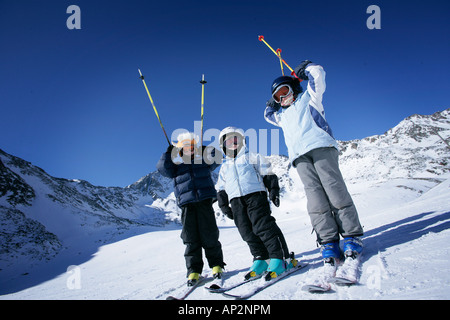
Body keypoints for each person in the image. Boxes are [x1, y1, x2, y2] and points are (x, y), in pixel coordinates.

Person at [264, 60, 364, 265]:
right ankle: (328, 240)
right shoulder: (281, 116)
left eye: (285, 91)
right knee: (315, 199)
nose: (282, 98)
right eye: (277, 96)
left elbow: (318, 75)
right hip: (300, 157)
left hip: (320, 147)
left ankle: (352, 236)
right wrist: (271, 105)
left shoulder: (309, 99)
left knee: (335, 190)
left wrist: (306, 68)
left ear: (294, 88)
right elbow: (267, 115)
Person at [216, 126, 297, 281]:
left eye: (235, 139)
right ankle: (261, 258)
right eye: (228, 141)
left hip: (255, 196)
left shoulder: (252, 156)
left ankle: (280, 258)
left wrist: (273, 189)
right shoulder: (224, 167)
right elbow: (221, 188)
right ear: (223, 146)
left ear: (241, 141)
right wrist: (224, 205)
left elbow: (267, 172)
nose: (232, 143)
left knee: (263, 227)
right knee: (246, 231)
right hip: (236, 201)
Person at [156, 132, 225, 286]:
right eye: (186, 147)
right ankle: (194, 270)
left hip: (204, 201)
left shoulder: (203, 161)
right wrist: (168, 153)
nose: (190, 149)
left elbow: (218, 158)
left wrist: (207, 150)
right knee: (190, 238)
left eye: (192, 147)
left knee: (209, 235)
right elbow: (162, 168)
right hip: (187, 204)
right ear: (180, 151)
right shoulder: (176, 166)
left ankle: (216, 265)